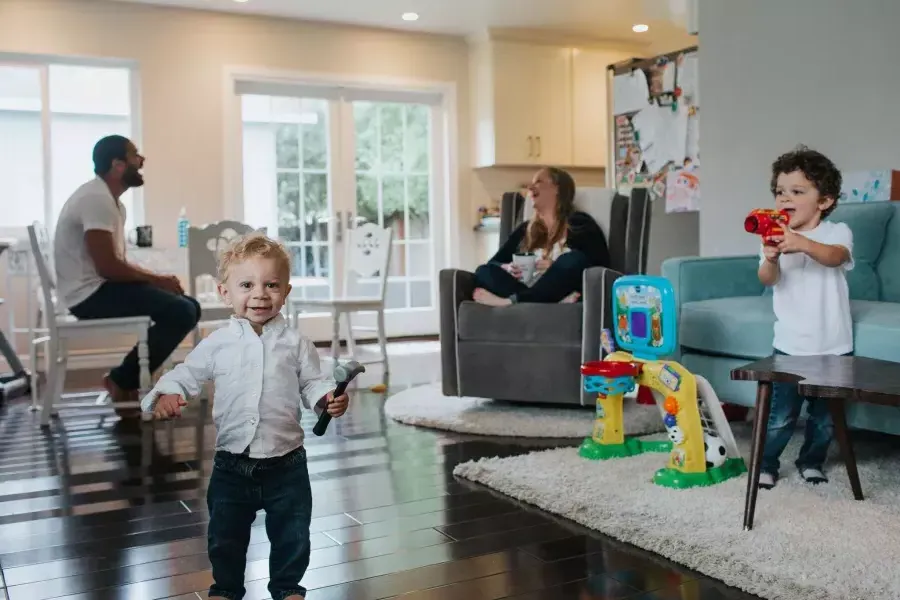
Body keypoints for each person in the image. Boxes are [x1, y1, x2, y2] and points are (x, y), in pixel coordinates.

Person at [140, 233, 349, 600]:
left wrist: (326, 401)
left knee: (293, 533)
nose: (260, 294)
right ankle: (226, 588)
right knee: (225, 536)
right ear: (225, 293)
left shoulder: (295, 343)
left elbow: (313, 384)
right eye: (247, 285)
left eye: (271, 285)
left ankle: (288, 589)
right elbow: (186, 373)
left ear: (286, 290)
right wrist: (169, 393)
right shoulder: (218, 343)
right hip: (231, 464)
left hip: (287, 462)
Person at [53, 135, 201, 415]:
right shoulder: (96, 199)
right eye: (135, 156)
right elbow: (108, 267)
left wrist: (158, 280)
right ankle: (121, 380)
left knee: (189, 306)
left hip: (95, 290)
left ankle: (123, 378)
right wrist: (158, 280)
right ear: (117, 164)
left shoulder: (108, 201)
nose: (141, 161)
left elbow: (113, 263)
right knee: (182, 311)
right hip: (88, 296)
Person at [757, 145, 854, 489]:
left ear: (824, 201)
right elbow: (768, 280)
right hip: (790, 346)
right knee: (780, 418)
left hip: (833, 347)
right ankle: (765, 463)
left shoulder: (836, 232)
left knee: (825, 418)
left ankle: (811, 461)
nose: (785, 198)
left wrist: (802, 243)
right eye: (780, 191)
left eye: (797, 191)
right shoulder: (774, 237)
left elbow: (835, 257)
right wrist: (770, 257)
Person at [472, 167, 610, 306]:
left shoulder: (579, 222)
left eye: (538, 181)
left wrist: (555, 267)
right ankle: (546, 302)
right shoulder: (525, 230)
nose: (530, 187)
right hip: (528, 288)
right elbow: (493, 263)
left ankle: (513, 301)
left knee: (573, 259)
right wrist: (507, 267)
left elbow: (598, 266)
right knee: (484, 271)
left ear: (557, 188)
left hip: (560, 287)